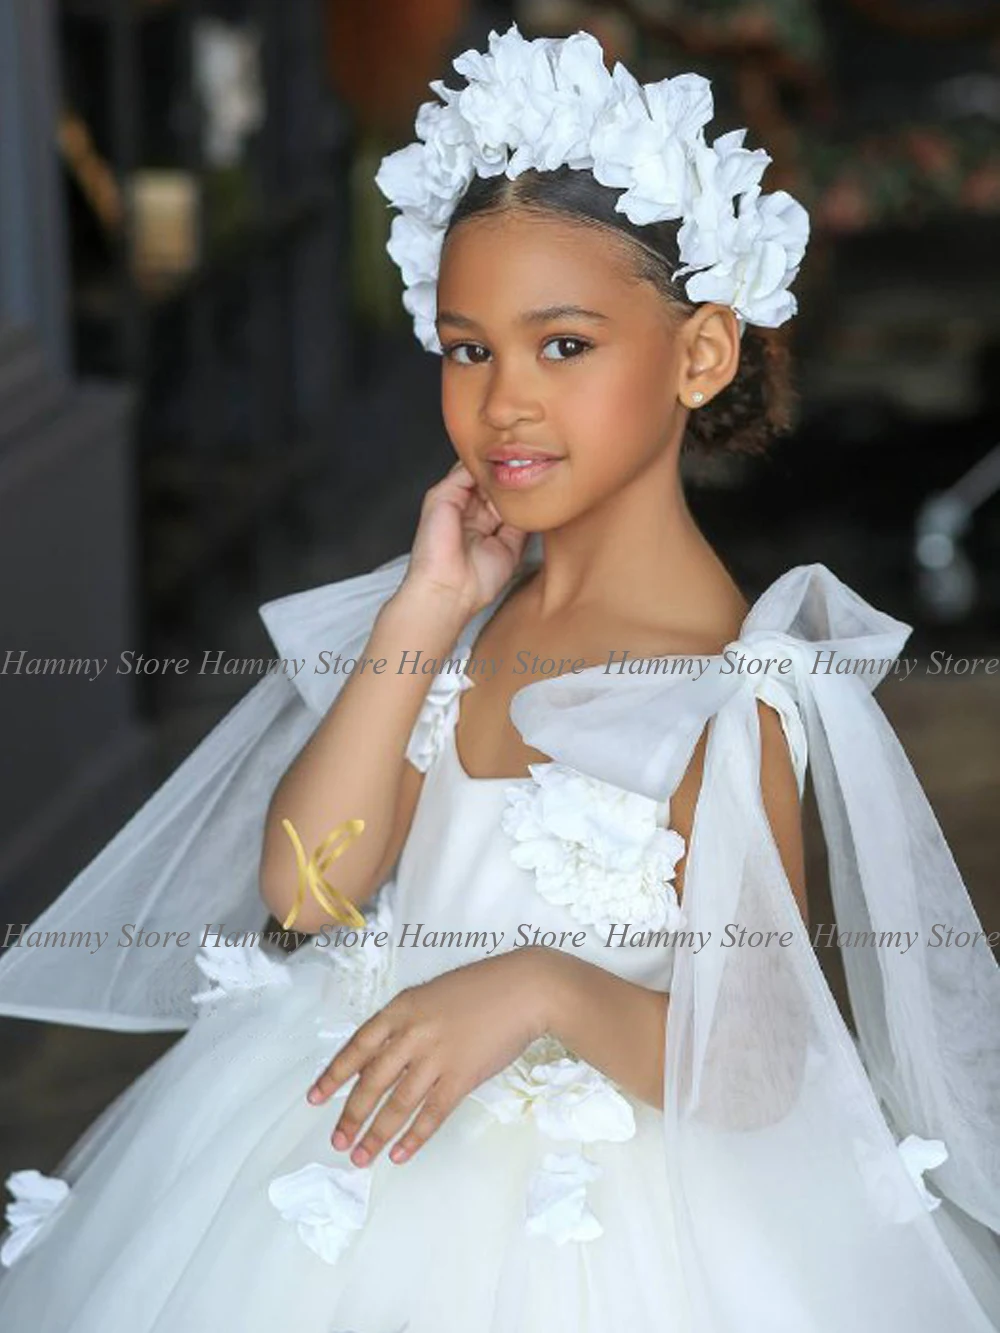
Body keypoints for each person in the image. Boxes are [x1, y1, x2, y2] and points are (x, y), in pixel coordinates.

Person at [0, 23, 998, 1333]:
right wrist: (422, 612)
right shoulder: (459, 628)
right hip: (333, 1152)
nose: (506, 401)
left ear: (700, 355)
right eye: (470, 350)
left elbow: (755, 1062)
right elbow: (307, 889)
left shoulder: (730, 694)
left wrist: (544, 987)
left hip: (598, 1226)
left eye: (566, 345)